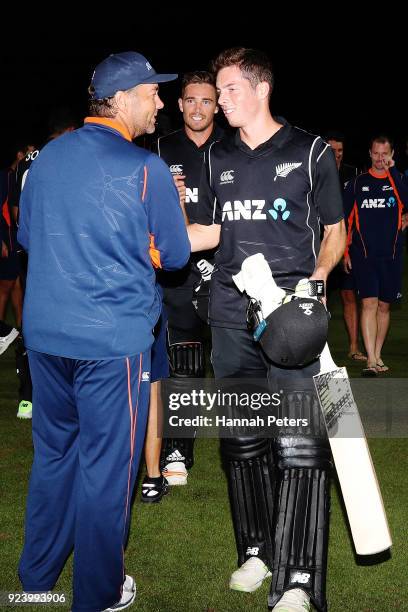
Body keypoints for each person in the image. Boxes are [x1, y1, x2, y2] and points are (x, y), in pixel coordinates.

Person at [17, 51, 190, 612]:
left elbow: (27, 237)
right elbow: (175, 253)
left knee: (54, 459)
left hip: (45, 339)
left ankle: (37, 578)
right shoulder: (145, 167)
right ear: (120, 99)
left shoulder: (44, 159)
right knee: (106, 472)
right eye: (152, 92)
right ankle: (99, 593)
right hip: (110, 345)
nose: (160, 101)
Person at [185, 48, 346, 611]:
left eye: (229, 90)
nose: (220, 101)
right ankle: (257, 550)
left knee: (299, 444)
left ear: (261, 89)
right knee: (244, 439)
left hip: (290, 317)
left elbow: (334, 230)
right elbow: (207, 230)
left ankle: (300, 579)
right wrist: (149, 246)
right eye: (218, 91)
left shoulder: (311, 151)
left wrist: (317, 278)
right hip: (231, 317)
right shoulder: (215, 158)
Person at [152, 70, 224, 485]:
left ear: (217, 106)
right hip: (178, 274)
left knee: (236, 364)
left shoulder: (232, 148)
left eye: (207, 101)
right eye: (191, 100)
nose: (198, 108)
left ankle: (252, 446)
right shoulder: (159, 149)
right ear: (180, 104)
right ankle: (178, 448)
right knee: (186, 362)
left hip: (229, 273)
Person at [8, 111, 78, 419]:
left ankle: (29, 397)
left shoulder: (25, 162)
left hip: (30, 252)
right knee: (70, 322)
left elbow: (14, 209)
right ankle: (66, 396)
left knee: (35, 322)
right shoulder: (68, 155)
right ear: (71, 130)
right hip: (63, 253)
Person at [343, 135, 408, 376]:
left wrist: (394, 172)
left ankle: (378, 354)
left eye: (385, 154)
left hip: (391, 255)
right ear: (369, 153)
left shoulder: (398, 180)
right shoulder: (358, 183)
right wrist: (346, 252)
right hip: (364, 255)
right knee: (368, 303)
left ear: (392, 155)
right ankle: (370, 359)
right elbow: (345, 221)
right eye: (376, 153)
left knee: (384, 306)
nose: (381, 159)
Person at [325, 131, 366, 362]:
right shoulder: (316, 170)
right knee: (318, 298)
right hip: (321, 248)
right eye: (332, 151)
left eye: (340, 151)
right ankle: (317, 349)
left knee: (350, 295)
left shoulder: (353, 174)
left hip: (347, 246)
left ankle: (353, 347)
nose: (336, 155)